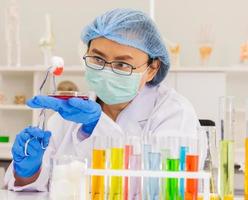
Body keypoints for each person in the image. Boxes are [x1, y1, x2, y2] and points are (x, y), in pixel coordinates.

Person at [4, 8, 207, 191]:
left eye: (121, 64)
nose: (107, 71)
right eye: (98, 59)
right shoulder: (70, 114)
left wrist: (96, 125)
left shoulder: (174, 112)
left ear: (152, 69)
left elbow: (162, 186)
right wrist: (28, 172)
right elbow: (30, 186)